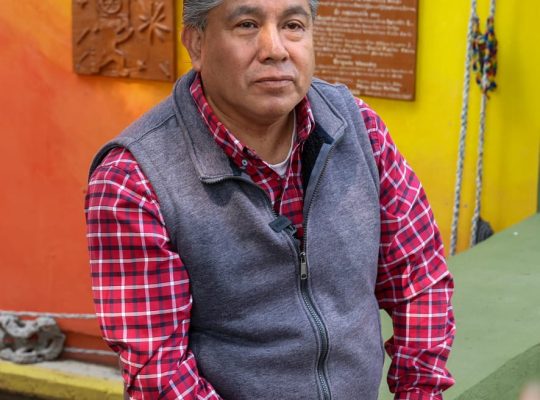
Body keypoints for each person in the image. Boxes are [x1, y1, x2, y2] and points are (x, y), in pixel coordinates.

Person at [85, 0, 456, 399]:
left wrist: (420, 390)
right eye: (247, 24)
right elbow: (160, 374)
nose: (275, 49)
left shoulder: (358, 128)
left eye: (293, 25)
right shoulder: (133, 181)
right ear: (196, 44)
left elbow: (419, 276)